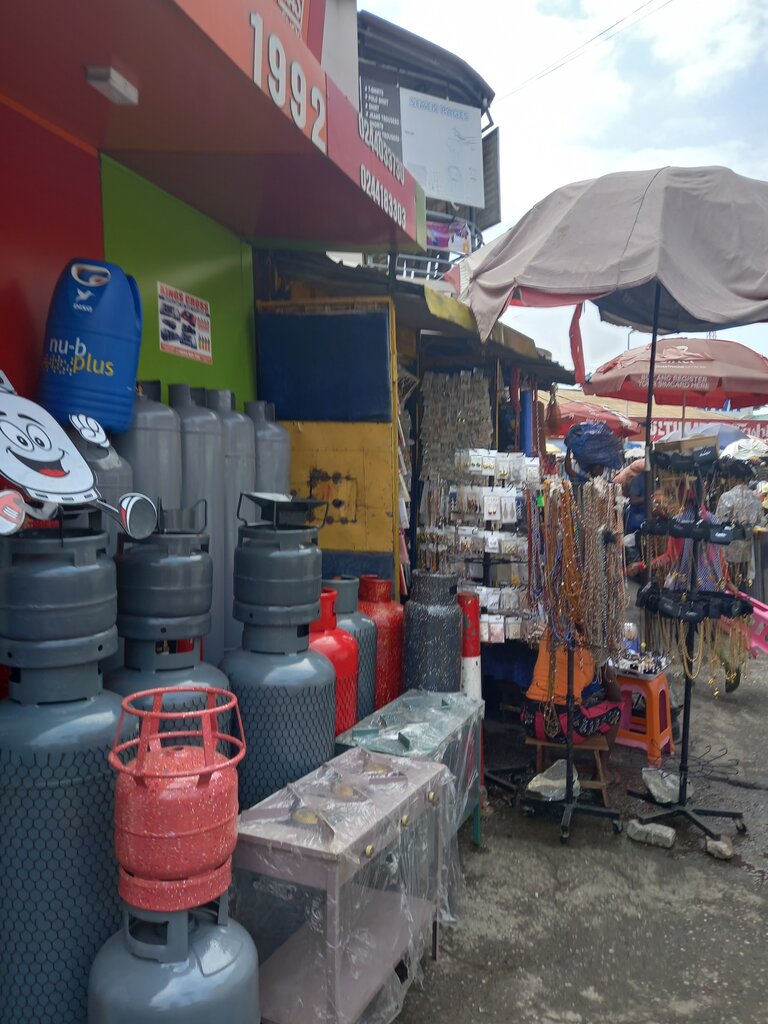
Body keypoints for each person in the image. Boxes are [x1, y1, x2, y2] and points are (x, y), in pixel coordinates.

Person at [522, 636, 623, 774]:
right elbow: (616, 697)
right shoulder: (587, 644)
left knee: (579, 702)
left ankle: (540, 763)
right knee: (616, 710)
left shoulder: (549, 634)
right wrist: (602, 659)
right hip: (566, 728)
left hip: (531, 721)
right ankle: (604, 771)